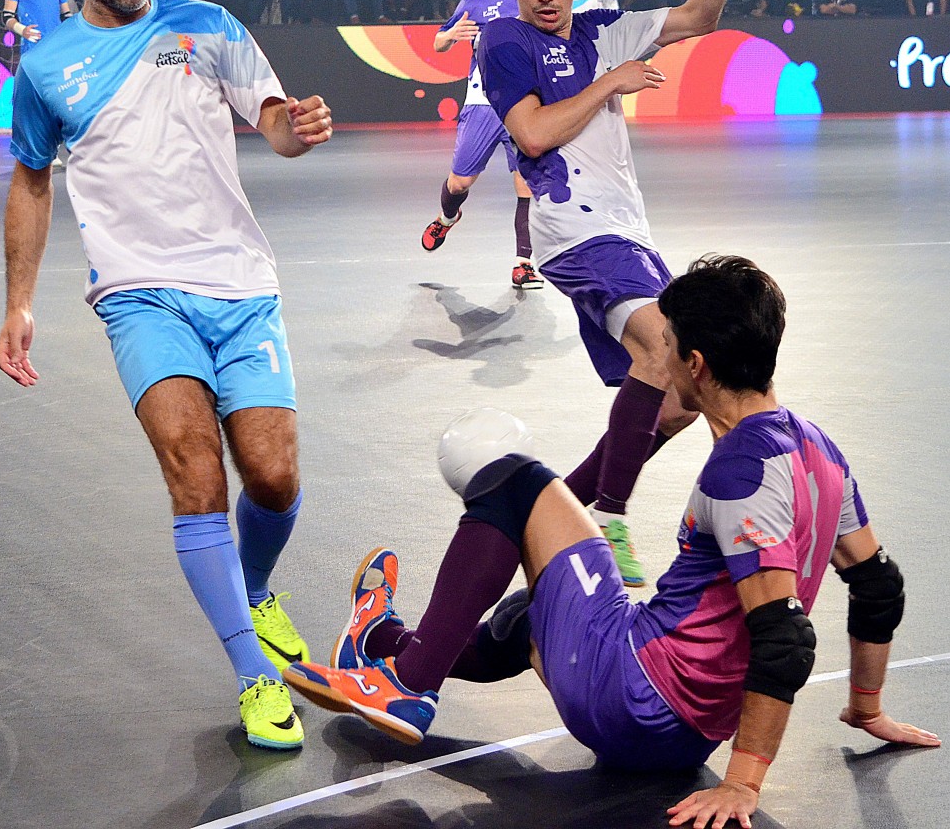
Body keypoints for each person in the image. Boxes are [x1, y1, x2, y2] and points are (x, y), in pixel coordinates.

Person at [285, 255, 941, 827]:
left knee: (509, 478)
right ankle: (378, 642)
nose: (653, 362)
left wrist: (742, 783)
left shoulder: (740, 470)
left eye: (664, 349)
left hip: (631, 700)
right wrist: (865, 707)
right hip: (684, 737)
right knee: (528, 617)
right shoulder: (818, 447)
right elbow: (877, 583)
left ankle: (406, 683)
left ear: (695, 362)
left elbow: (783, 638)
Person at [0, 0, 332, 752]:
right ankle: (254, 679)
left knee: (274, 478)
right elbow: (31, 182)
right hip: (139, 293)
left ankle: (257, 590)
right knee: (195, 477)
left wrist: (298, 127)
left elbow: (275, 125)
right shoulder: (44, 68)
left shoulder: (208, 26)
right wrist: (19, 303)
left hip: (240, 285)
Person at [466, 0, 751, 586]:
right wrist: (610, 84)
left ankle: (557, 505)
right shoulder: (504, 42)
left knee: (686, 390)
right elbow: (532, 134)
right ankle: (613, 517)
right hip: (573, 232)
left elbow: (699, 18)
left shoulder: (605, 29)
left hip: (629, 233)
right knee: (662, 345)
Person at [420, 0, 540, 289]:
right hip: (482, 103)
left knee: (528, 186)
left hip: (525, 104)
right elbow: (440, 42)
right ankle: (446, 217)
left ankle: (524, 264)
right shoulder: (473, 2)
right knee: (459, 182)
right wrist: (450, 36)